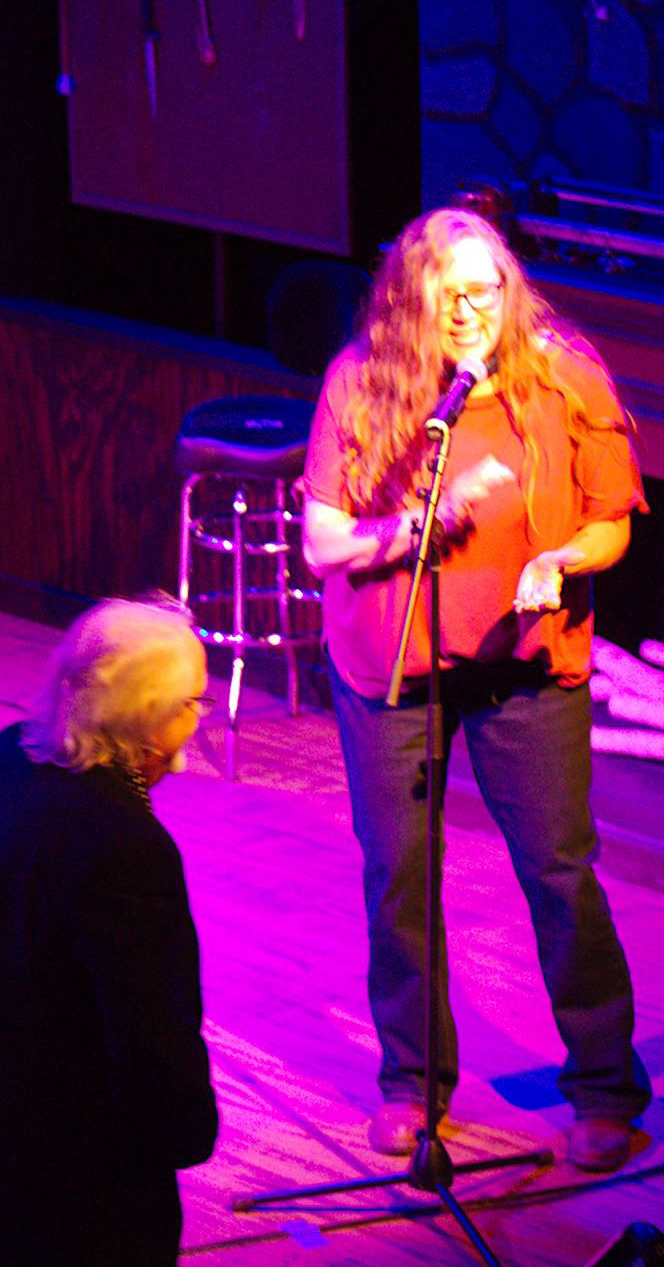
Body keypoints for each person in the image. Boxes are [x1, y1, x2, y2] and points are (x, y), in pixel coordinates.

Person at [301, 207, 651, 1172]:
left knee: (558, 869)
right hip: (392, 668)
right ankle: (412, 1084)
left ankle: (603, 1086)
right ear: (410, 300)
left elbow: (612, 522)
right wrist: (415, 528)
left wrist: (564, 559)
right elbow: (324, 544)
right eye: (445, 293)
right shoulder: (366, 386)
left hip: (525, 666)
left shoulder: (565, 376)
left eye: (484, 290)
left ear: (509, 290)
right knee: (400, 877)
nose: (468, 310)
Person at [0, 597, 218, 1266]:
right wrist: (185, 1131)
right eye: (191, 703)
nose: (198, 720)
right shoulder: (122, 843)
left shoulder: (5, 763)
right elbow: (148, 1026)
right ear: (146, 715)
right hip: (66, 1174)